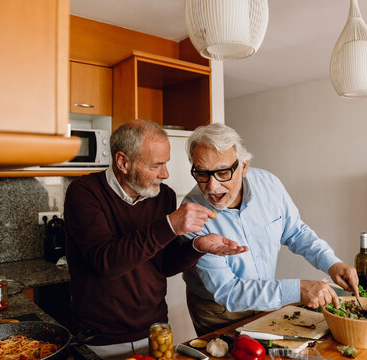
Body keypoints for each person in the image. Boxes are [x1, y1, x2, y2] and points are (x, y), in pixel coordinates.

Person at [63, 120, 247, 359]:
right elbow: (106, 262)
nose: (165, 173)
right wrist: (169, 225)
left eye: (166, 163)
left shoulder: (163, 196)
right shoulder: (84, 193)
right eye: (156, 165)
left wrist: (196, 246)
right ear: (123, 162)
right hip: (101, 339)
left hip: (156, 331)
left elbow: (163, 265)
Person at [181, 123, 359, 335]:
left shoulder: (269, 184)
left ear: (244, 167)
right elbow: (227, 291)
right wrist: (299, 289)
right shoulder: (190, 215)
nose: (211, 186)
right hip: (219, 312)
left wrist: (332, 263)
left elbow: (296, 232)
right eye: (201, 173)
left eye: (222, 172)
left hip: (266, 302)